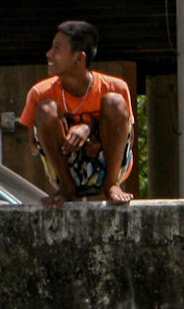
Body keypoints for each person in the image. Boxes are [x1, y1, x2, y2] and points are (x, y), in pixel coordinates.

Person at [19, 20, 135, 207]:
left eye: (57, 48)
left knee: (113, 102)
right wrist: (72, 142)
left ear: (78, 59)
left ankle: (112, 185)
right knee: (45, 109)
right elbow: (34, 146)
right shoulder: (39, 92)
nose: (49, 54)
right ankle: (66, 188)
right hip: (66, 168)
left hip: (106, 165)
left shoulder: (115, 87)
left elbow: (128, 140)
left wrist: (91, 131)